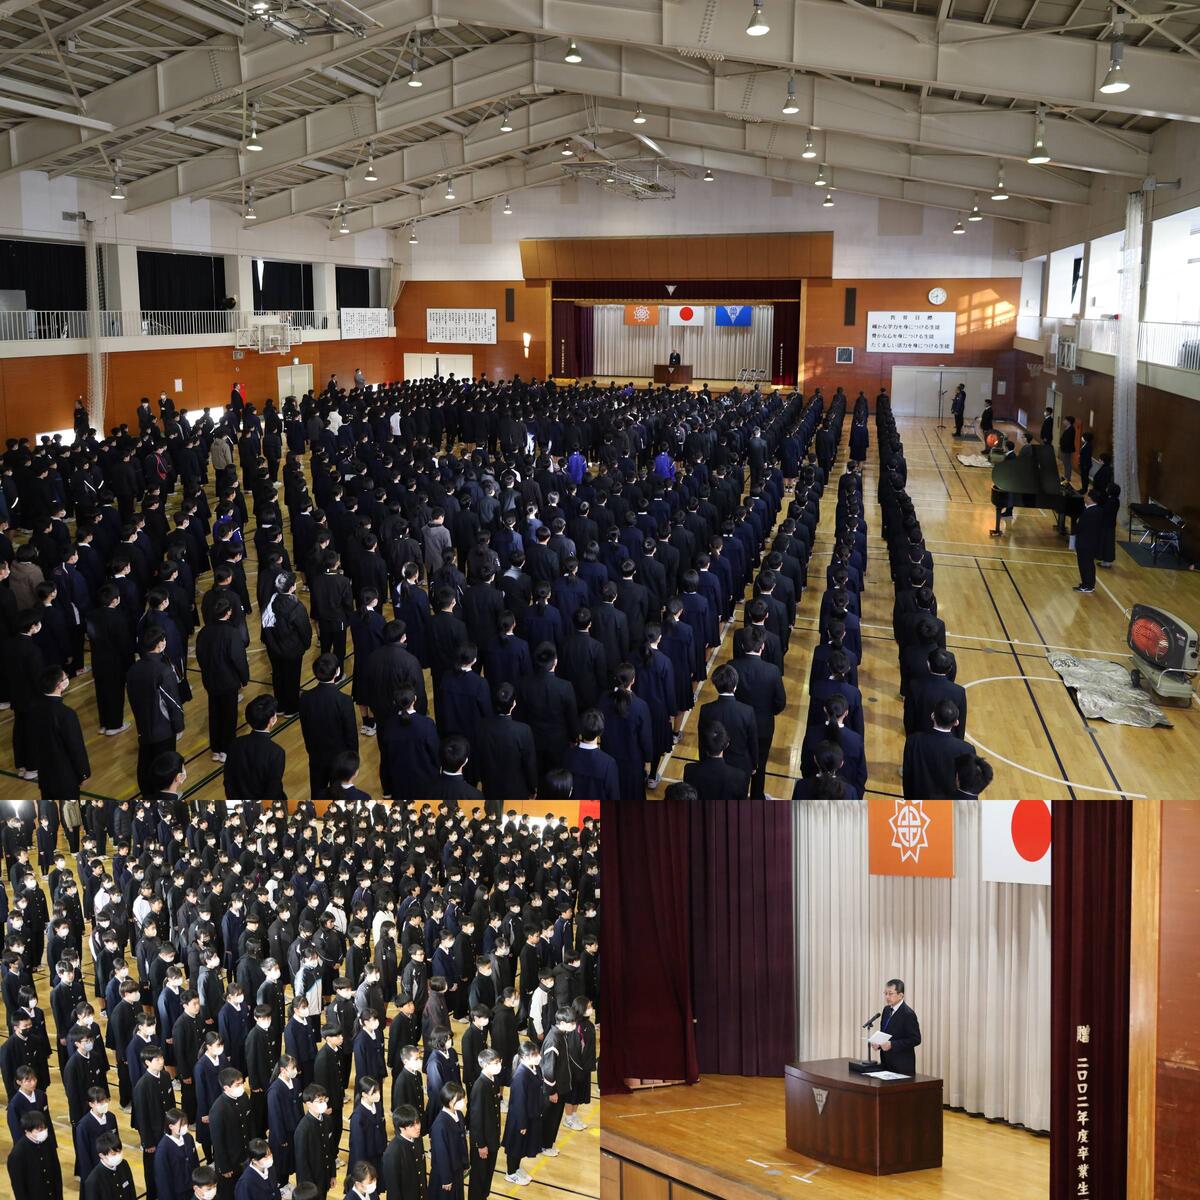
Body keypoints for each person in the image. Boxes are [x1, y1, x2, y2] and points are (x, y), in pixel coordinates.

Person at [31, 664, 90, 800]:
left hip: (46, 777)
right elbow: (75, 747)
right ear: (59, 685)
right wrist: (83, 773)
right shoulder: (66, 714)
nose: (67, 679)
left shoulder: (35, 710)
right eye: (65, 677)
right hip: (65, 778)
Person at [901, 699, 971, 800]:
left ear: (932, 716)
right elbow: (966, 787)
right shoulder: (966, 749)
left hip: (918, 800)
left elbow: (907, 776)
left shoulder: (913, 741)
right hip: (947, 805)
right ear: (956, 722)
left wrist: (909, 801)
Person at [223, 696, 286, 800]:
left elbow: (228, 779)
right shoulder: (276, 752)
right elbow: (273, 789)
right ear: (272, 720)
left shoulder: (236, 743)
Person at [502, 1041, 544, 1186]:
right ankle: (510, 1173)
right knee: (515, 1146)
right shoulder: (520, 1076)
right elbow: (518, 1103)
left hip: (531, 1115)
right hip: (520, 1119)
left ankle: (516, 1168)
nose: (538, 1057)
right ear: (525, 1057)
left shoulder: (534, 1068)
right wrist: (522, 1124)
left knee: (522, 1146)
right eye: (534, 1055)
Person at [468, 1050, 503, 1200]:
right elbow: (476, 1120)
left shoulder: (493, 1081)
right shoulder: (480, 1086)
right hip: (483, 1143)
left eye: (499, 1062)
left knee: (488, 1175)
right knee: (479, 1177)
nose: (499, 1065)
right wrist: (481, 1144)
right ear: (485, 1065)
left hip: (492, 1139)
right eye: (495, 1063)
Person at [7, 1109, 63, 1200]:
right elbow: (19, 1188)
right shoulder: (17, 1155)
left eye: (43, 1127)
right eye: (38, 1129)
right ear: (27, 1131)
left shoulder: (48, 1141)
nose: (42, 1131)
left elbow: (56, 1171)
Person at [428, 1082, 468, 1200]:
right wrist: (446, 1178)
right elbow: (441, 1154)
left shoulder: (459, 1114)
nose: (462, 1102)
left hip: (457, 1168)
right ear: (449, 1102)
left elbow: (463, 1142)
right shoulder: (440, 1125)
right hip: (445, 1173)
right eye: (459, 1099)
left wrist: (465, 1163)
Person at [875, 979, 922, 1077]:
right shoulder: (886, 1010)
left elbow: (915, 1039)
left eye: (890, 994)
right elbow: (885, 1033)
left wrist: (892, 1044)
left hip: (902, 1065)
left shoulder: (908, 1014)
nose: (887, 997)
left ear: (900, 995)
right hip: (886, 1062)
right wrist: (878, 1043)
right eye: (885, 993)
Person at [381, 1105, 426, 1200]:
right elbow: (393, 1189)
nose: (418, 1127)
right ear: (401, 1128)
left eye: (418, 1122)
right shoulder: (392, 1153)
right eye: (412, 1125)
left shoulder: (418, 1139)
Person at [154, 1109, 200, 1200]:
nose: (185, 1126)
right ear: (171, 1126)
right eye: (181, 1124)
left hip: (192, 1187)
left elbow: (195, 1162)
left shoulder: (188, 1138)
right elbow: (163, 1178)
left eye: (186, 1123)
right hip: (177, 1193)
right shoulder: (163, 1149)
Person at [83, 1131, 136, 1200]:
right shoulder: (93, 1180)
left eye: (119, 1152)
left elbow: (132, 1192)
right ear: (101, 1155)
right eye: (114, 1154)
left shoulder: (124, 1164)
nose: (118, 1156)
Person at [1073, 489, 1104, 594]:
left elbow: (1080, 527)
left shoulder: (1088, 512)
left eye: (1086, 496)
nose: (1084, 497)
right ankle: (1088, 584)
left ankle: (1087, 585)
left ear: (1090, 498)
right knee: (1089, 564)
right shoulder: (1099, 510)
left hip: (1085, 543)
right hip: (1092, 542)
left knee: (1084, 565)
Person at [1059, 414, 1076, 482]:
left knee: (1067, 463)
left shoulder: (1071, 429)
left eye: (1065, 420)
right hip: (1064, 448)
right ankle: (1066, 476)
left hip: (1067, 449)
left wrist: (1062, 445)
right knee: (1065, 463)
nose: (1063, 421)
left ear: (1069, 421)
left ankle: (1067, 477)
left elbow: (1068, 441)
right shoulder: (1068, 428)